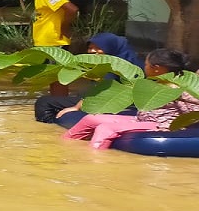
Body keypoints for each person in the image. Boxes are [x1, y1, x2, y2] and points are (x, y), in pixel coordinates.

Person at [61, 48, 199, 149]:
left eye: (146, 64)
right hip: (141, 118)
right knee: (91, 118)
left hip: (159, 124)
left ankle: (93, 161)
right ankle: (63, 147)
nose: (144, 67)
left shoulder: (180, 87)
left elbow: (193, 112)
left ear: (156, 68)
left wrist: (171, 127)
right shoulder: (153, 82)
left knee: (106, 128)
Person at [33, 32, 144, 123]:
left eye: (98, 48)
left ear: (111, 48)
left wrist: (76, 108)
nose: (92, 51)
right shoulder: (133, 60)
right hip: (112, 102)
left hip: (116, 104)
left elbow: (102, 92)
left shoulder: (115, 65)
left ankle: (55, 123)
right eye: (90, 48)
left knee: (44, 102)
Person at [23, 0, 79, 97]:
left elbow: (72, 9)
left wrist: (65, 27)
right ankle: (55, 103)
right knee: (52, 76)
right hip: (48, 43)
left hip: (54, 42)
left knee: (58, 77)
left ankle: (61, 104)